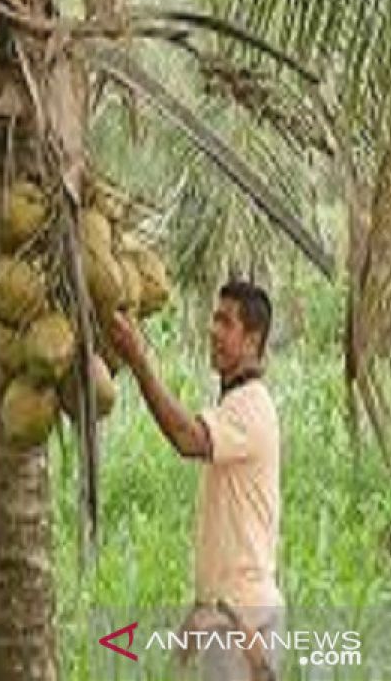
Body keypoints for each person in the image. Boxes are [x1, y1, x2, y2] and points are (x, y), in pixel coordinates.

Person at [108, 280, 283, 681]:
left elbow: (187, 438)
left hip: (240, 617)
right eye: (214, 319)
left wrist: (138, 361)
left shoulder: (250, 408)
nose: (213, 331)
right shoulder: (238, 403)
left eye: (226, 322)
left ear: (253, 339)